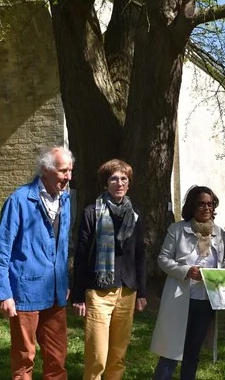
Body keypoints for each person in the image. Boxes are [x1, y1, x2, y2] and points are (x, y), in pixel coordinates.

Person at [0, 146, 74, 380]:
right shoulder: (19, 200)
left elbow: (63, 245)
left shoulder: (66, 200)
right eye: (62, 171)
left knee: (57, 358)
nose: (68, 176)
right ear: (46, 170)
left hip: (55, 293)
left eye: (70, 171)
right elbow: (0, 249)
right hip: (25, 293)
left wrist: (64, 280)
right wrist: (4, 293)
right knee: (24, 358)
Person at [71, 159, 147, 380]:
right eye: (114, 178)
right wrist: (79, 295)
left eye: (124, 178)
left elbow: (140, 255)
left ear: (129, 184)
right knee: (97, 356)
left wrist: (142, 291)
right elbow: (82, 256)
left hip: (127, 291)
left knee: (118, 355)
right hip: (98, 292)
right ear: (106, 183)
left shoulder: (135, 216)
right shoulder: (91, 212)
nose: (119, 182)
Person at [151, 186, 225, 380]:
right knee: (171, 351)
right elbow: (163, 259)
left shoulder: (218, 232)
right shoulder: (177, 229)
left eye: (210, 204)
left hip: (205, 300)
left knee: (193, 352)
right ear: (192, 206)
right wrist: (187, 271)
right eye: (201, 203)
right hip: (180, 298)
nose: (206, 208)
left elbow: (222, 263)